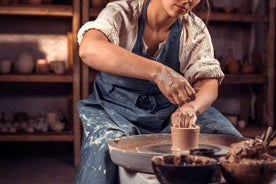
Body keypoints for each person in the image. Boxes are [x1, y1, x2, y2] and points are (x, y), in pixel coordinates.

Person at [76, 0, 242, 183]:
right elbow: (89, 49)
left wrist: (192, 108)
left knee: (234, 145)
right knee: (105, 147)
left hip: (168, 112)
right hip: (113, 109)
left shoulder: (194, 29)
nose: (188, 0)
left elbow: (208, 81)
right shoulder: (123, 12)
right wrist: (158, 72)